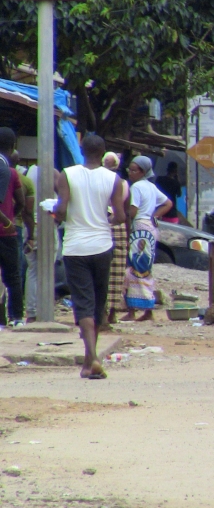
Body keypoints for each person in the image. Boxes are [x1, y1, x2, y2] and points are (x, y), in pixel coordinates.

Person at [53, 134, 126, 379]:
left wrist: (55, 212)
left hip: (75, 247)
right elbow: (120, 216)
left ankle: (92, 358)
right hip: (102, 245)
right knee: (97, 300)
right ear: (104, 153)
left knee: (82, 301)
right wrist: (109, 219)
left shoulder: (67, 174)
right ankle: (89, 361)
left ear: (81, 150)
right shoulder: (113, 179)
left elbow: (61, 210)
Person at [122, 156, 172, 322]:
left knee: (134, 267)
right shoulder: (151, 186)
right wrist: (155, 215)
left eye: (134, 170)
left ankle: (133, 310)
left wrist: (124, 219)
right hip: (150, 228)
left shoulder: (136, 187)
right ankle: (147, 308)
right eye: (129, 169)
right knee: (145, 267)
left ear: (142, 172)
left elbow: (133, 211)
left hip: (140, 228)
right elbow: (168, 203)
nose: (130, 173)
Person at [0, 128, 25, 326]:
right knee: (13, 276)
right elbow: (22, 202)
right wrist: (9, 218)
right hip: (6, 232)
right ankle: (16, 317)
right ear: (13, 146)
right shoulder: (10, 172)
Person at [102, 152, 129, 326]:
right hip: (114, 225)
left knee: (114, 271)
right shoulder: (122, 183)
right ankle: (108, 313)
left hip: (108, 224)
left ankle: (109, 312)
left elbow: (125, 211)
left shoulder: (108, 181)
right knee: (113, 270)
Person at [11, 152, 36, 323]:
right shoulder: (24, 180)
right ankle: (16, 315)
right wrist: (32, 235)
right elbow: (27, 211)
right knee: (15, 272)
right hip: (15, 227)